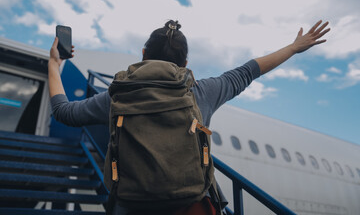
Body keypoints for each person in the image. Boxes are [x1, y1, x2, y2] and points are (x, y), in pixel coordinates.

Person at [48, 20, 330, 214]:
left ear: (143, 54)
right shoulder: (201, 92)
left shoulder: (115, 96)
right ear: (185, 63)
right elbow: (248, 71)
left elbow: (64, 112)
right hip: (191, 207)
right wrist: (294, 47)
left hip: (132, 208)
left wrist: (54, 64)